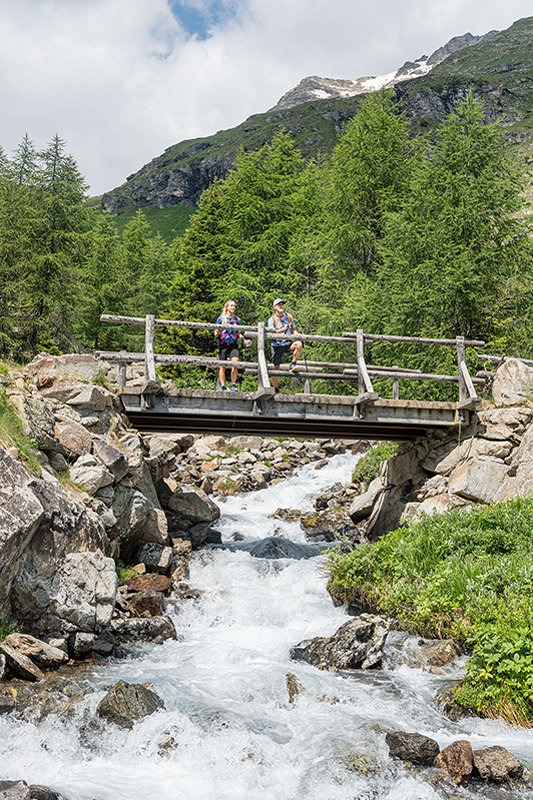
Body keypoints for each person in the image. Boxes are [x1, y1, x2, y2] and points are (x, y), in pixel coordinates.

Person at [267, 298, 303, 392]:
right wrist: (283, 329)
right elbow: (271, 334)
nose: (282, 306)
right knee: (276, 366)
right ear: (275, 307)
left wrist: (297, 335)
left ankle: (293, 364)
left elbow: (293, 329)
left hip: (287, 343)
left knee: (298, 344)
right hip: (277, 344)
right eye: (279, 305)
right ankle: (275, 387)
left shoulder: (288, 316)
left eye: (282, 304)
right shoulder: (272, 319)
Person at [215, 300, 242, 391]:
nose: (233, 307)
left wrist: (241, 336)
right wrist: (220, 328)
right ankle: (223, 385)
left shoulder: (237, 319)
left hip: (234, 344)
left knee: (235, 363)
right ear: (226, 307)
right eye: (231, 306)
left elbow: (238, 332)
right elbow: (216, 333)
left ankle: (233, 384)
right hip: (223, 344)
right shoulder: (221, 319)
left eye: (234, 306)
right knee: (222, 365)